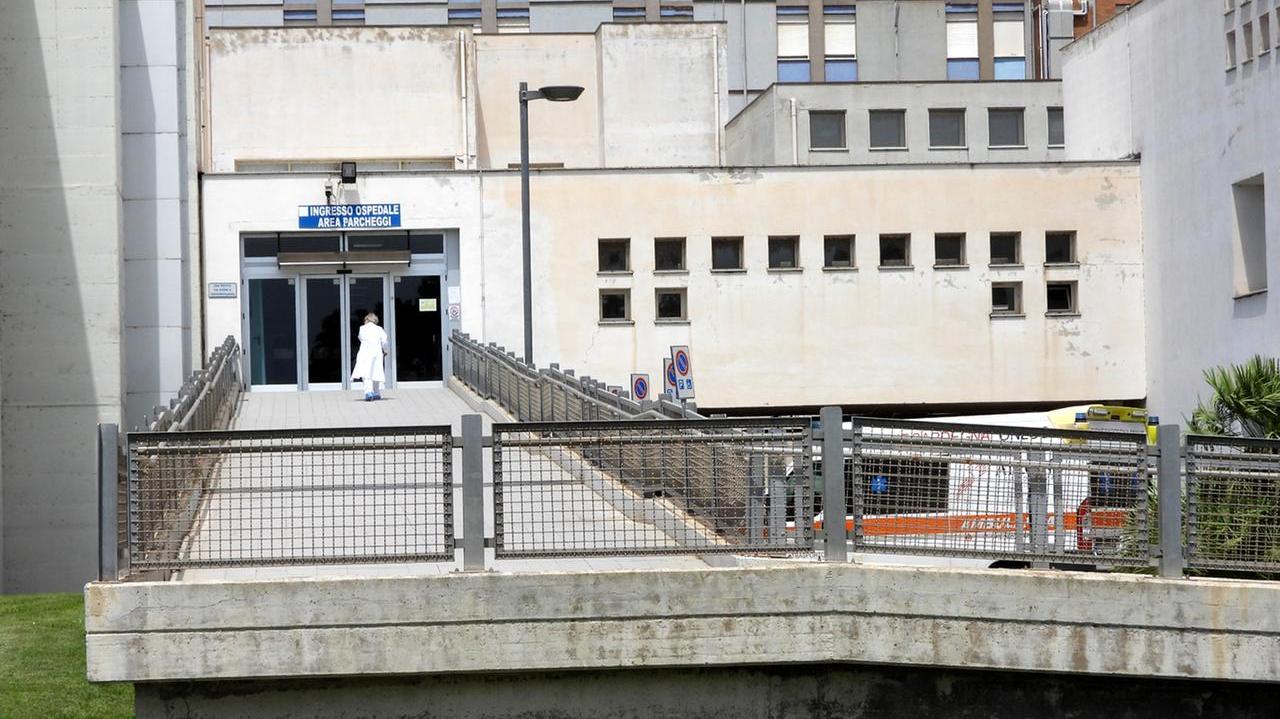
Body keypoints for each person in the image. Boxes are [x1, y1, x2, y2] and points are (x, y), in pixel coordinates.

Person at [351, 312, 389, 401]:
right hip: (377, 352)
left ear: (367, 320)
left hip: (365, 352)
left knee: (366, 372)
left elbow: (360, 338)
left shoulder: (362, 328)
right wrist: (385, 350)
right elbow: (384, 342)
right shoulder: (379, 329)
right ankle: (376, 392)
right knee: (376, 372)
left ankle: (368, 392)